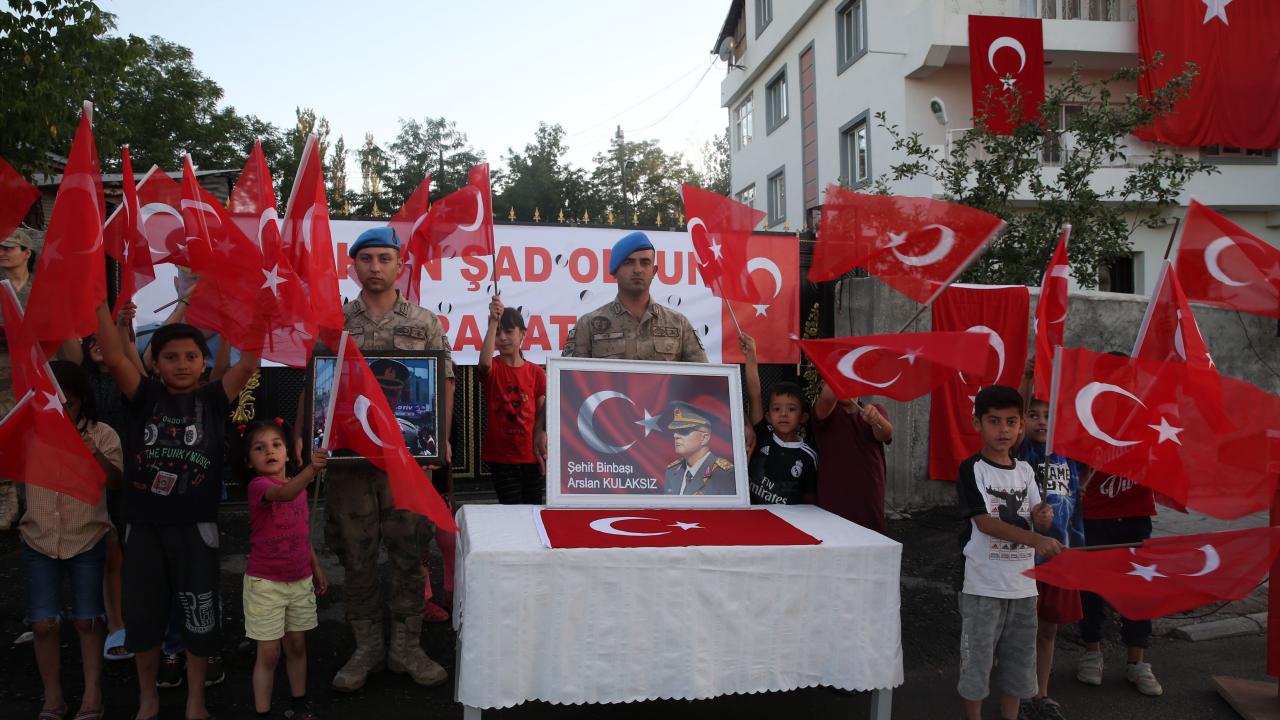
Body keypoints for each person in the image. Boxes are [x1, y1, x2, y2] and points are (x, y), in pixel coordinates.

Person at [92, 302, 259, 720]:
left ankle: (196, 702)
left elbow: (249, 361)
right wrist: (100, 306)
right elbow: (114, 356)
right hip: (144, 527)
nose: (181, 364)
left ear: (204, 362)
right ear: (156, 362)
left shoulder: (213, 399)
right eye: (170, 357)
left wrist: (258, 313)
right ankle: (147, 699)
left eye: (190, 356)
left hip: (195, 529)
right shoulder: (143, 396)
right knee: (145, 617)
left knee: (199, 616)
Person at [321, 226, 453, 691]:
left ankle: (407, 648)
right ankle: (367, 649)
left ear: (401, 266)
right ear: (353, 266)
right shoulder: (333, 322)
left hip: (407, 464)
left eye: (384, 259)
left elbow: (445, 382)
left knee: (408, 554)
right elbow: (319, 384)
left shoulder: (424, 323)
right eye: (366, 259)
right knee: (356, 558)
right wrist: (312, 437)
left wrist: (441, 442)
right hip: (350, 466)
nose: (375, 267)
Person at [21, 361, 122, 720]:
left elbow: (114, 482)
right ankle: (53, 698)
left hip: (86, 536)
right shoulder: (27, 434)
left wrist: (88, 452)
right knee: (42, 623)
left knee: (88, 619)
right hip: (38, 537)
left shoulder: (102, 434)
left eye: (70, 404)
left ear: (84, 401)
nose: (61, 412)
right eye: (51, 403)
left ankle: (93, 695)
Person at [956, 385, 1061, 720]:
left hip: (1022, 588)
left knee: (1018, 663)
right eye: (994, 421)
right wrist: (1034, 539)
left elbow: (1039, 523)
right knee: (977, 664)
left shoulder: (1026, 471)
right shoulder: (972, 468)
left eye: (1011, 421)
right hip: (982, 585)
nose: (1003, 429)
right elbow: (984, 522)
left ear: (1021, 427)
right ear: (977, 423)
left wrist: (1044, 518)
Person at [240, 418, 329, 720]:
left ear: (288, 453)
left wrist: (315, 566)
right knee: (268, 653)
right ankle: (263, 712)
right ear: (249, 461)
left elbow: (302, 533)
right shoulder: (259, 487)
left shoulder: (299, 487)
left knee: (296, 645)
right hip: (266, 584)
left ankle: (300, 704)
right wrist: (311, 470)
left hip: (299, 579)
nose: (270, 451)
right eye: (259, 448)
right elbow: (285, 493)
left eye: (276, 445)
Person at [1017, 396, 1085, 720]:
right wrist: (1027, 383)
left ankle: (1041, 694)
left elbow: (1076, 508)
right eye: (1033, 415)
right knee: (1020, 630)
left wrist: (1078, 550)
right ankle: (1017, 693)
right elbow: (1015, 421)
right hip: (1026, 560)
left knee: (1048, 631)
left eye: (1048, 415)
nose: (1042, 421)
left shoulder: (1067, 458)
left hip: (1061, 559)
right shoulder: (1023, 453)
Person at [561, 231, 708, 364]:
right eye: (628, 262)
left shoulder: (678, 324)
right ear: (614, 270)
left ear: (654, 270)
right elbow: (571, 383)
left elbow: (702, 380)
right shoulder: (588, 325)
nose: (637, 270)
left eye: (645, 263)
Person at [479, 295, 547, 504]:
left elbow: (542, 414)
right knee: (511, 511)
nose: (503, 338)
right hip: (502, 459)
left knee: (533, 510)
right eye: (498, 334)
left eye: (509, 331)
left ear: (523, 334)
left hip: (531, 456)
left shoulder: (536, 373)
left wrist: (542, 438)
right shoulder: (494, 368)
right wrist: (492, 322)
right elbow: (483, 364)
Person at [742, 335, 817, 505]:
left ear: (803, 417)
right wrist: (751, 355)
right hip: (753, 519)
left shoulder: (808, 456)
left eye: (791, 409)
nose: (783, 414)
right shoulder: (761, 435)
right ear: (768, 416)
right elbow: (755, 395)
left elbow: (810, 503)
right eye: (776, 409)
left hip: (785, 524)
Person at [811, 381, 894, 533]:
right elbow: (828, 398)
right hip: (835, 495)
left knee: (871, 536)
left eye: (849, 379)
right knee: (835, 536)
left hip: (869, 491)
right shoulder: (826, 414)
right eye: (836, 380)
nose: (843, 384)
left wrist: (876, 420)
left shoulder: (874, 410)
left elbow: (886, 434)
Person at [0, 228, 38, 529]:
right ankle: (8, 500)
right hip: (3, 375)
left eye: (10, 247)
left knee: (35, 438)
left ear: (27, 253)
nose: (3, 252)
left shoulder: (41, 289)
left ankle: (36, 501)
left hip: (37, 372)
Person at [662, 401, 736, 495]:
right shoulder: (672, 472)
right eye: (675, 431)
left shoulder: (724, 474)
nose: (676, 435)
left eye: (684, 430)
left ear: (704, 438)